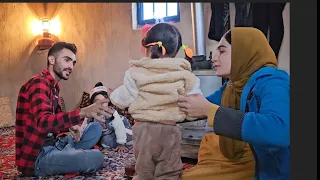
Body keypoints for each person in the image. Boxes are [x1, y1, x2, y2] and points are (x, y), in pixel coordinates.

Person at [177, 27, 290, 180]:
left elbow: (278, 130)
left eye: (222, 51)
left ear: (244, 52)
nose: (214, 58)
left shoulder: (274, 83)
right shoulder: (233, 87)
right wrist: (153, 111)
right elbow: (197, 105)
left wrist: (210, 111)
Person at [109, 23, 202, 180]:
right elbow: (195, 102)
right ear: (176, 50)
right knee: (170, 169)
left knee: (144, 168)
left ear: (148, 48)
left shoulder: (136, 72)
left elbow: (124, 98)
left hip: (143, 130)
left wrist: (113, 96)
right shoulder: (185, 74)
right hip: (170, 130)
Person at [15, 42, 114, 177]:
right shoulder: (38, 83)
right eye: (67, 60)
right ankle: (69, 154)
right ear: (51, 59)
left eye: (73, 62)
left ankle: (69, 153)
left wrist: (70, 126)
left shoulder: (54, 87)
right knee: (96, 157)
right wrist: (82, 111)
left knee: (96, 127)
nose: (71, 66)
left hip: (56, 143)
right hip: (39, 155)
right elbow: (44, 122)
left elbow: (55, 118)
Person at [80, 82, 133, 153]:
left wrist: (121, 144)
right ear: (92, 104)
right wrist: (81, 136)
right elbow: (84, 127)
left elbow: (119, 126)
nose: (101, 104)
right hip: (107, 133)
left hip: (120, 128)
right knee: (104, 142)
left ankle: (126, 139)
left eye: (104, 101)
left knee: (128, 135)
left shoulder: (111, 112)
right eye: (97, 102)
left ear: (108, 102)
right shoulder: (90, 114)